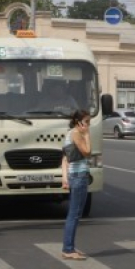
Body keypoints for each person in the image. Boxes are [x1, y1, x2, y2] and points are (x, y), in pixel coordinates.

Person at [60, 109, 92, 260]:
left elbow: (65, 159)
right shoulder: (76, 134)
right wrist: (86, 135)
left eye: (89, 122)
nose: (88, 125)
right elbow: (87, 152)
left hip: (75, 176)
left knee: (75, 214)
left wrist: (65, 178)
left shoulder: (69, 134)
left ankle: (70, 247)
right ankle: (68, 249)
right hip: (79, 176)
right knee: (74, 214)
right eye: (86, 122)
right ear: (78, 122)